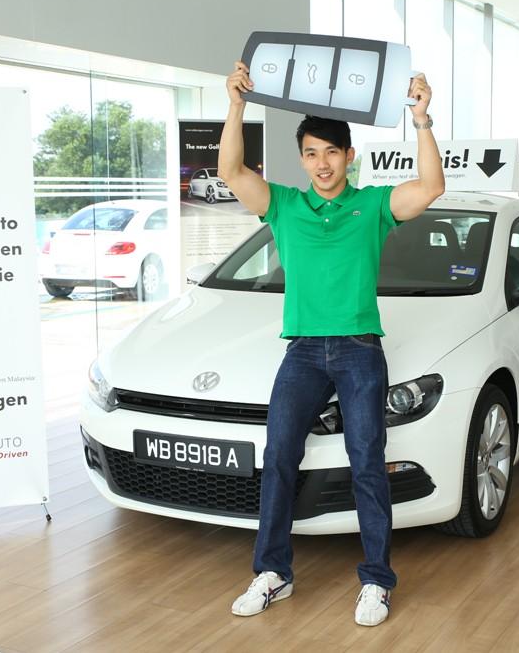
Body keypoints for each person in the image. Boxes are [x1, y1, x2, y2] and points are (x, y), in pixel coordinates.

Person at [218, 60, 445, 627]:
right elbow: (230, 171)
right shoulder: (284, 206)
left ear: (349, 156)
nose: (322, 164)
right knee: (278, 457)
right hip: (302, 352)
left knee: (367, 461)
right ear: (302, 159)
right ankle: (273, 573)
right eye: (312, 154)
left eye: (332, 153)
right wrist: (237, 105)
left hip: (359, 349)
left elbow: (430, 187)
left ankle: (376, 580)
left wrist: (421, 119)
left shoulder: (372, 207)